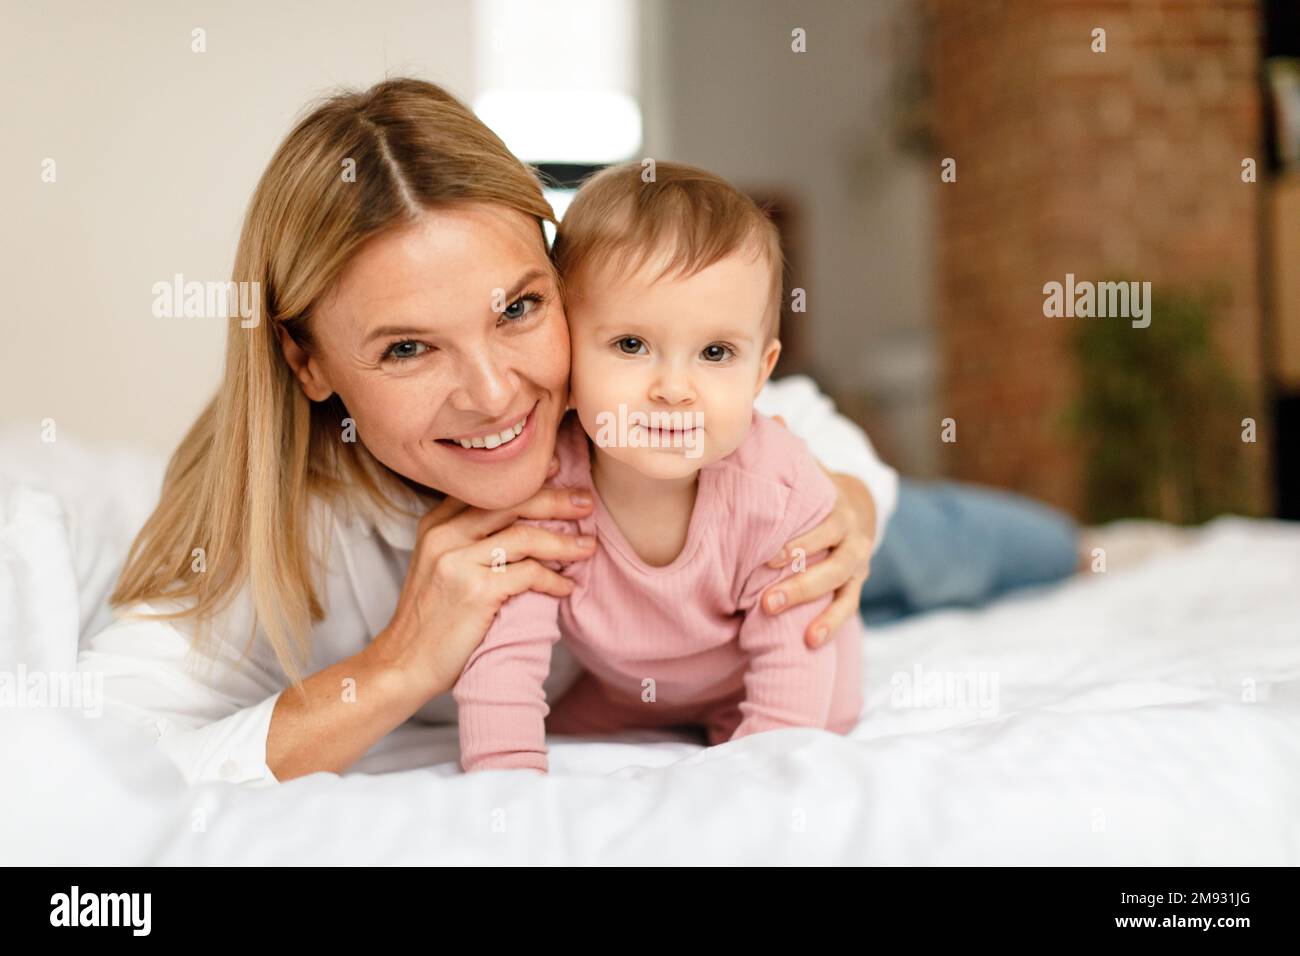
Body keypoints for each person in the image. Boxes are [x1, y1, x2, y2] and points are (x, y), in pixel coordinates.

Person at [76, 78, 896, 787]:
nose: (497, 394)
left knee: (956, 546)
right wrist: (399, 664)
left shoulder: (640, 409)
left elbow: (788, 412)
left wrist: (850, 504)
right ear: (307, 362)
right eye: (407, 348)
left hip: (739, 563)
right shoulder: (280, 542)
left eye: (518, 309)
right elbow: (92, 762)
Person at [454, 162, 862, 773]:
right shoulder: (543, 492)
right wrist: (506, 784)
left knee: (825, 716)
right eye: (631, 345)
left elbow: (790, 668)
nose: (674, 388)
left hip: (772, 677)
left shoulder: (778, 491)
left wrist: (759, 768)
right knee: (561, 727)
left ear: (761, 370)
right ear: (566, 350)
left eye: (716, 352)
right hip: (625, 695)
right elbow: (505, 657)